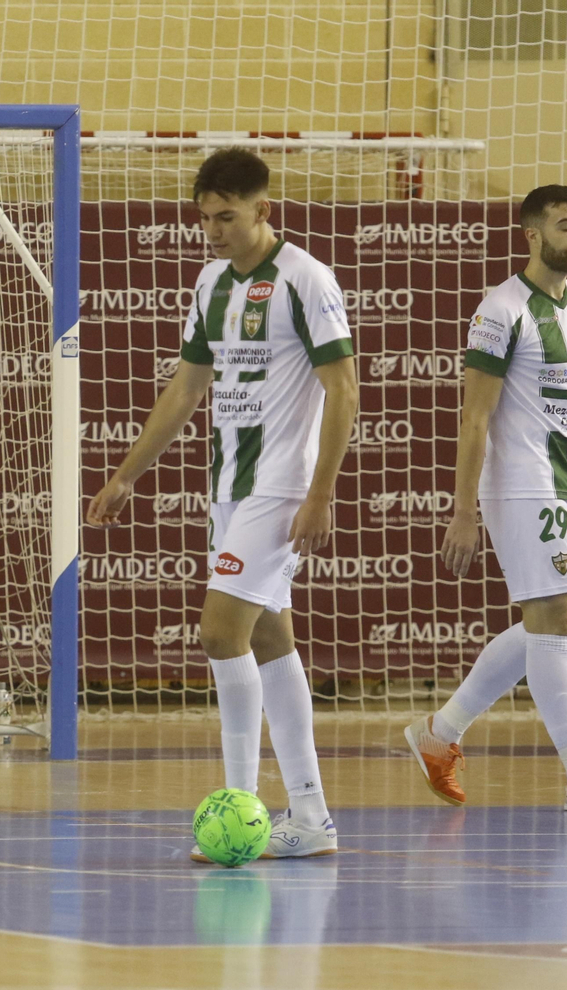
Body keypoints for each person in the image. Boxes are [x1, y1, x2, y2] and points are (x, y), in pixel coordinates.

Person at [86, 148, 359, 861]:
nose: (213, 231)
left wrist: (321, 491)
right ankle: (311, 817)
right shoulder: (210, 282)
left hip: (281, 485)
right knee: (270, 639)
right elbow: (185, 388)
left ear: (263, 210)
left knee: (217, 635)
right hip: (229, 489)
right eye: (205, 218)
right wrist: (125, 475)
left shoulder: (306, 277)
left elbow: (345, 389)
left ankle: (240, 807)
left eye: (227, 217)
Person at [406, 185, 567, 813]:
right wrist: (464, 511)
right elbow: (475, 416)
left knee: (558, 620)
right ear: (532, 235)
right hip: (519, 483)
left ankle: (440, 735)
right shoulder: (500, 310)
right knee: (552, 620)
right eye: (565, 226)